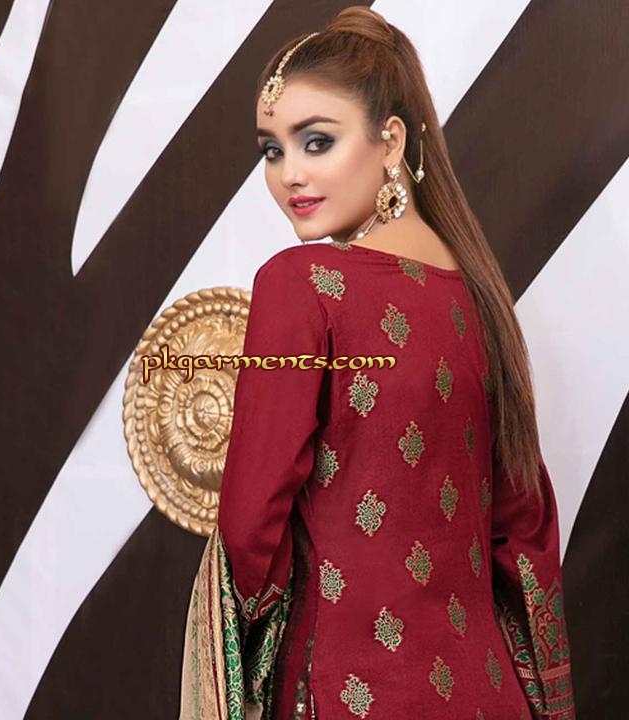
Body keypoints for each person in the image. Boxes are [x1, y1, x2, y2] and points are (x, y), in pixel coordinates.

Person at [179, 7, 575, 719]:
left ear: (390, 141)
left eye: (317, 141)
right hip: (489, 696)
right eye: (272, 149)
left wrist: (257, 642)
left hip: (349, 689)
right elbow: (523, 533)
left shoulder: (299, 285)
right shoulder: (479, 296)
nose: (290, 174)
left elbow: (249, 528)